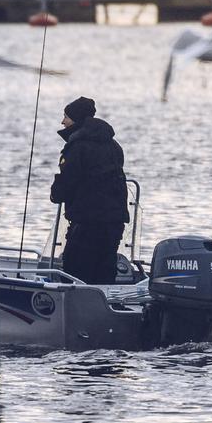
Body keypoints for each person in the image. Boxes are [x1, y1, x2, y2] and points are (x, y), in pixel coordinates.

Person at [49, 97, 129, 284]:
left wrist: (55, 192)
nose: (63, 122)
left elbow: (65, 185)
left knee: (75, 273)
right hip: (114, 223)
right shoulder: (113, 146)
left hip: (88, 223)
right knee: (104, 271)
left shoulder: (77, 147)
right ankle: (104, 309)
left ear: (76, 119)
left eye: (66, 117)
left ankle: (76, 311)